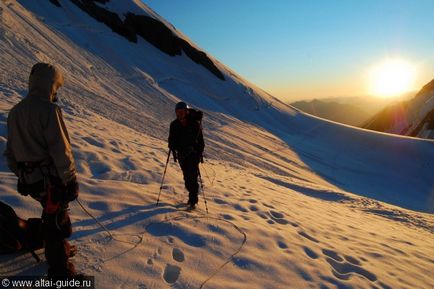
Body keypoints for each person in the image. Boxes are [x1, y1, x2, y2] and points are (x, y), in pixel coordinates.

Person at [3, 63, 79, 279]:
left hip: (30, 180)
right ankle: (61, 274)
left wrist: (22, 174)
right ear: (51, 85)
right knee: (57, 222)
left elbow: (10, 153)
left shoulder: (15, 111)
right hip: (52, 181)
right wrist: (70, 179)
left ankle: (57, 251)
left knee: (51, 216)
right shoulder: (49, 110)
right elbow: (60, 149)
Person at [168, 101, 204, 210]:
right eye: (177, 112)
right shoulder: (174, 125)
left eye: (181, 111)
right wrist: (172, 146)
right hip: (182, 156)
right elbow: (171, 139)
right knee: (187, 178)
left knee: (192, 177)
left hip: (193, 156)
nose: (179, 114)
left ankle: (193, 201)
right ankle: (191, 197)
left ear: (186, 111)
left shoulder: (194, 124)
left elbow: (201, 142)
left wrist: (197, 152)